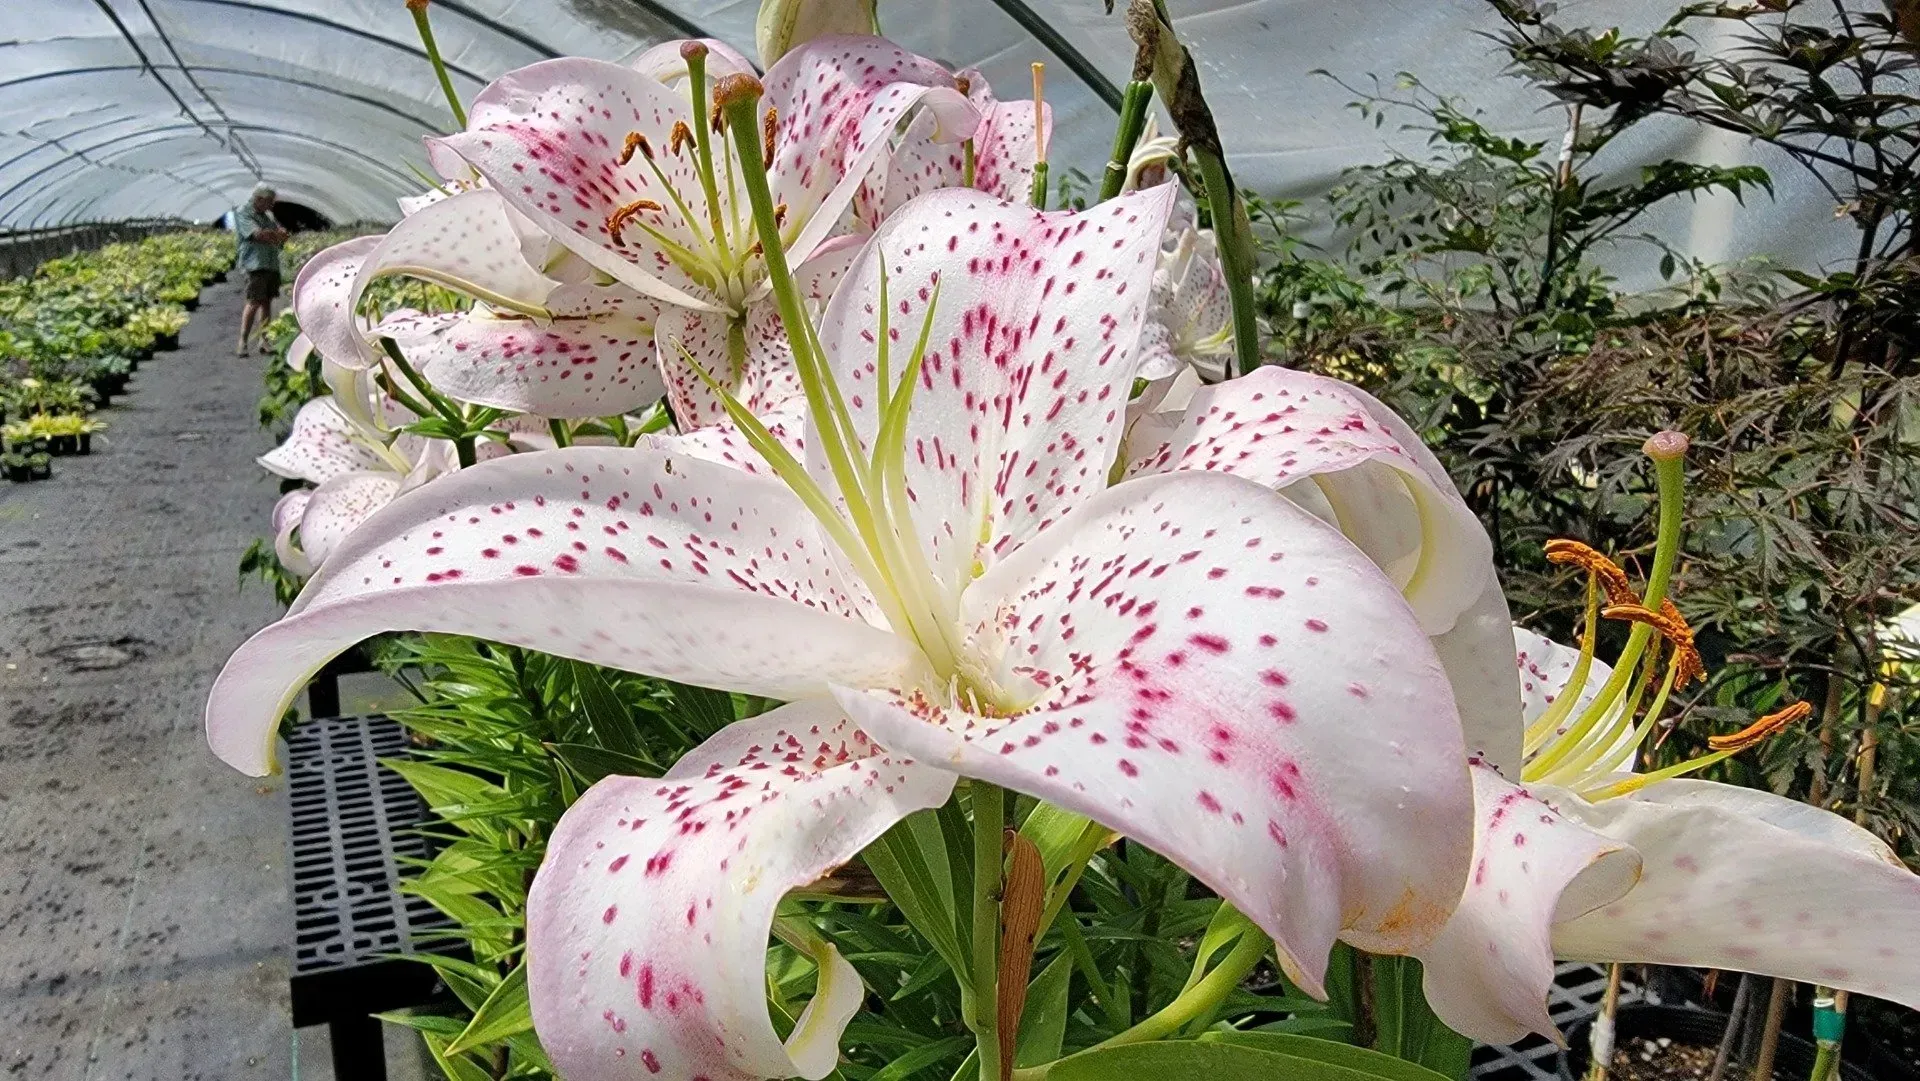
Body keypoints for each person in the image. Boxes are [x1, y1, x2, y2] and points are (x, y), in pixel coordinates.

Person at [233, 185, 289, 356]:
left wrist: (275, 234)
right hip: (255, 263)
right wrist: (274, 235)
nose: (271, 205)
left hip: (270, 262)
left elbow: (281, 234)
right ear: (259, 199)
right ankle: (243, 342)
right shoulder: (244, 212)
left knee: (266, 302)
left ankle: (264, 340)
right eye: (269, 202)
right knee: (253, 301)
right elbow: (258, 235)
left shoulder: (267, 216)